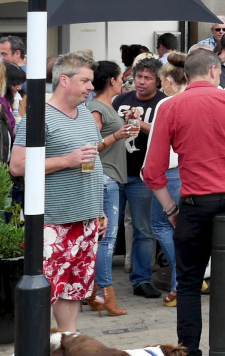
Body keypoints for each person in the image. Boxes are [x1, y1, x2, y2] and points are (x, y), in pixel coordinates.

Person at [141, 48, 225, 355]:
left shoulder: (171, 106)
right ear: (215, 72)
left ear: (185, 76)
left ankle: (189, 350)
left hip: (196, 200)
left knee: (188, 280)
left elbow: (152, 171)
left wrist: (171, 209)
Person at [9, 52, 101, 333]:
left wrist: (98, 210)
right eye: (84, 80)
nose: (90, 87)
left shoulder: (84, 113)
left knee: (74, 287)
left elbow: (94, 160)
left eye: (91, 81)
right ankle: (33, 344)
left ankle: (68, 341)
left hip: (86, 217)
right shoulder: (38, 117)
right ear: (64, 80)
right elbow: (17, 165)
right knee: (48, 286)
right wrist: (66, 161)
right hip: (55, 220)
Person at [112, 56, 175, 304]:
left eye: (148, 78)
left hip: (142, 174)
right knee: (106, 230)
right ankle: (97, 283)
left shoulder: (163, 103)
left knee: (143, 229)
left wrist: (140, 123)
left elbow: (166, 133)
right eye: (139, 77)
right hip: (115, 170)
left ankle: (141, 280)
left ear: (158, 81)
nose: (141, 82)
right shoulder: (120, 100)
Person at [87, 60, 135, 318]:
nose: (123, 82)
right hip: (105, 179)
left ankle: (95, 294)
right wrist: (117, 135)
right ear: (112, 81)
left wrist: (124, 122)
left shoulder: (106, 106)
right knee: (107, 239)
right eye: (120, 78)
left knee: (103, 239)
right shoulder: (96, 107)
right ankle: (106, 295)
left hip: (110, 177)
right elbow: (91, 146)